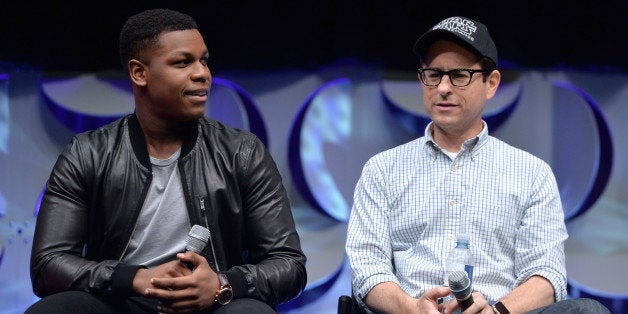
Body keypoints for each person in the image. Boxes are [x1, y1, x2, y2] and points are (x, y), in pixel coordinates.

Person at [27, 8, 306, 314]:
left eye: (204, 60)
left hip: (209, 304)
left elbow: (288, 264)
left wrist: (222, 284)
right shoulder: (88, 153)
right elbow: (48, 265)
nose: (203, 74)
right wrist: (133, 278)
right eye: (183, 62)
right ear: (139, 73)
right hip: (119, 300)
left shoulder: (243, 152)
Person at [345, 16, 608, 314]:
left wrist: (498, 311)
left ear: (491, 83)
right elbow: (367, 266)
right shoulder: (381, 170)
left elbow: (547, 274)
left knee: (588, 311)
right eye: (433, 74)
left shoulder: (532, 173)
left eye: (459, 75)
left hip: (499, 311)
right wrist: (410, 307)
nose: (443, 87)